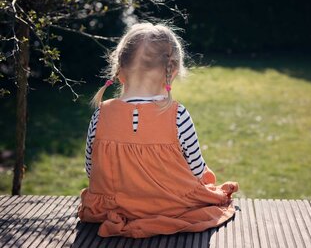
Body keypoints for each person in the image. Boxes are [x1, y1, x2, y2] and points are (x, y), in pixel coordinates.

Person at [77, 22, 239, 238]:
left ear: (119, 69)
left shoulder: (101, 114)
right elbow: (196, 170)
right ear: (171, 72)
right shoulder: (177, 115)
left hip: (113, 208)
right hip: (170, 207)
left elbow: (91, 170)